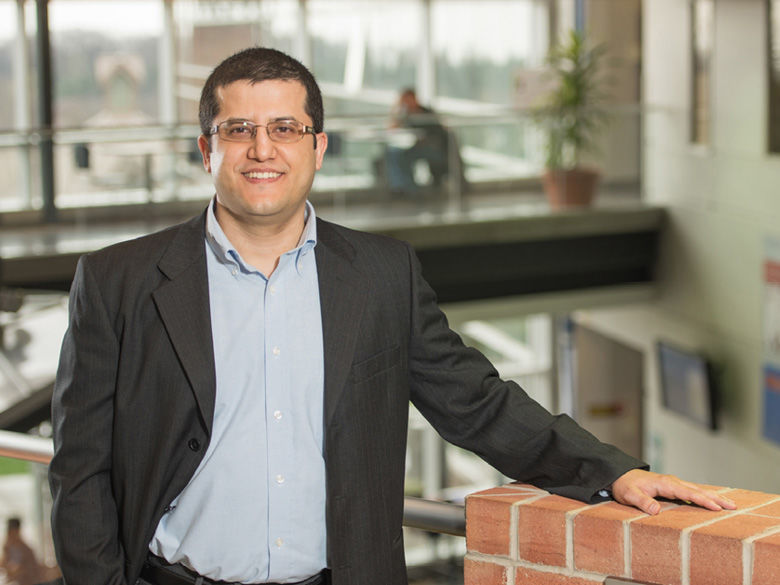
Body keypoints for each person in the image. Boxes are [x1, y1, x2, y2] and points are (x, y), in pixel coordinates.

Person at [48, 47, 735, 585]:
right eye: (240, 130)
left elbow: (479, 405)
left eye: (286, 128)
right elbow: (80, 474)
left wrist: (610, 470)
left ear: (317, 147)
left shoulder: (381, 275)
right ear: (206, 150)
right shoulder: (117, 281)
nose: (264, 149)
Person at [383, 88, 458, 194]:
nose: (408, 103)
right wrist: (397, 108)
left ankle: (408, 189)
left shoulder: (426, 113)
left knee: (402, 156)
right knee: (393, 153)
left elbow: (437, 133)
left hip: (433, 148)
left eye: (409, 99)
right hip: (414, 146)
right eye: (405, 100)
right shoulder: (405, 114)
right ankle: (401, 187)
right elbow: (391, 128)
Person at [1, 518, 42, 585]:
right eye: (10, 532)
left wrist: (19, 571)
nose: (12, 535)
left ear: (17, 531)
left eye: (14, 532)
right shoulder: (7, 548)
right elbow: (3, 564)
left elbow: (33, 571)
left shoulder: (27, 550)